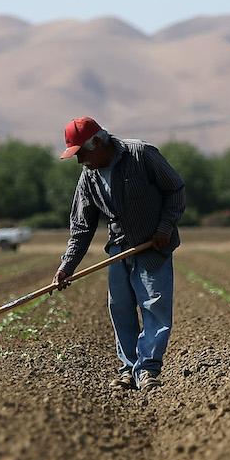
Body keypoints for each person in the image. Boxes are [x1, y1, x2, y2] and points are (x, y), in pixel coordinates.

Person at [53, 117, 186, 391]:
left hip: (153, 248)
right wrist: (67, 266)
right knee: (121, 310)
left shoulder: (141, 155)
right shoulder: (88, 176)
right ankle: (128, 369)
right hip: (118, 250)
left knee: (155, 308)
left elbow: (175, 189)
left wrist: (164, 228)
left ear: (99, 142)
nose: (81, 162)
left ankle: (147, 370)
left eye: (82, 154)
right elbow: (81, 226)